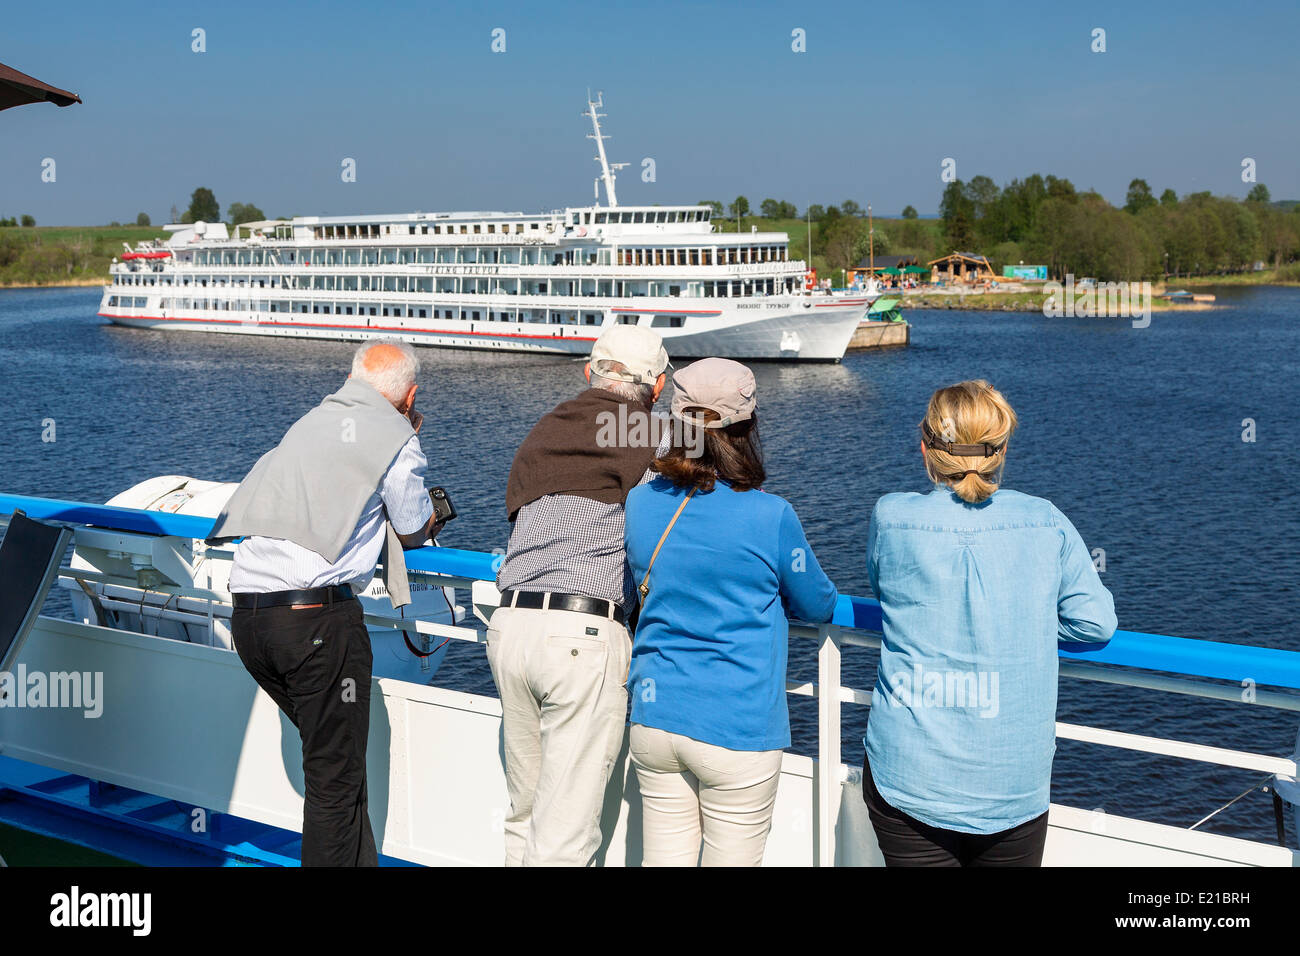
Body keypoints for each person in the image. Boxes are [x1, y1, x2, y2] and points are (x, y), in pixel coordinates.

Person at [207, 339, 442, 866]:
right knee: (335, 781)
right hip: (316, 622)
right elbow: (411, 528)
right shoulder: (396, 437)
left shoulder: (311, 421)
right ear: (410, 396)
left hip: (250, 617)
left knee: (337, 765)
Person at [862, 379, 1116, 867]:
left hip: (909, 773)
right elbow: (1095, 625)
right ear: (1000, 452)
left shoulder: (890, 516)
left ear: (925, 450)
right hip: (1011, 783)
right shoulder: (1044, 520)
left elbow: (885, 592)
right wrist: (1027, 624)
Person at [624, 358, 837, 866]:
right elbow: (819, 603)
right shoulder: (771, 514)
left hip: (656, 717)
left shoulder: (639, 502)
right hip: (737, 727)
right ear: (746, 428)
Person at [489, 324, 669, 866]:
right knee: (565, 835)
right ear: (656, 389)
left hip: (510, 627)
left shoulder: (546, 428)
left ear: (589, 372)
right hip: (582, 635)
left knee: (524, 816)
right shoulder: (651, 432)